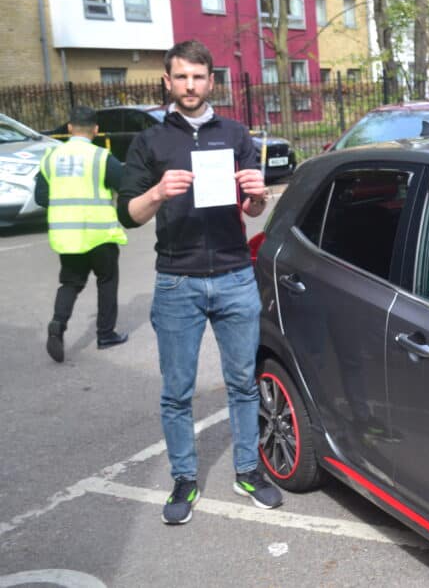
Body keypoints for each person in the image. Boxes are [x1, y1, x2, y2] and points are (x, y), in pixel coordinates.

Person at [116, 39, 283, 525]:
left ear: (212, 82)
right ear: (168, 82)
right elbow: (128, 215)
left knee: (242, 383)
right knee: (177, 390)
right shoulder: (150, 142)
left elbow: (251, 209)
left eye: (199, 77)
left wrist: (259, 198)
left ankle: (248, 470)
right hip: (177, 281)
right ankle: (184, 478)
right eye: (181, 77)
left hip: (234, 274)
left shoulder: (234, 133)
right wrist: (156, 192)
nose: (190, 85)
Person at [37, 105, 129, 363]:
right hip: (100, 233)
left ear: (69, 128)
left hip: (68, 235)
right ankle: (105, 334)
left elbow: (41, 197)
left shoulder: (51, 157)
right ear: (96, 130)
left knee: (71, 282)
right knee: (107, 281)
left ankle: (58, 324)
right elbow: (124, 185)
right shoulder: (101, 157)